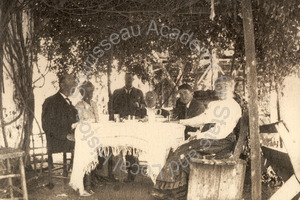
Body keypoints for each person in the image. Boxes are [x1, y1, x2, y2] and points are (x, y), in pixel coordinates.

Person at [151, 76, 242, 200]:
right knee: (181, 148)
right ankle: (175, 190)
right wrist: (181, 122)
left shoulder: (233, 107)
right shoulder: (216, 104)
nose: (219, 91)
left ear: (231, 88)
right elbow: (203, 119)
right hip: (213, 138)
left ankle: (173, 191)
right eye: (217, 88)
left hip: (222, 142)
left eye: (223, 88)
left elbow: (222, 131)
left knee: (184, 151)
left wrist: (199, 135)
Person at [41, 73, 78, 187]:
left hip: (68, 138)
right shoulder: (51, 101)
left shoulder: (69, 103)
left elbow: (73, 122)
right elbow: (47, 125)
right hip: (57, 141)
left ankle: (88, 177)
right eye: (71, 81)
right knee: (84, 145)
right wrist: (65, 135)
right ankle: (81, 180)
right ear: (62, 85)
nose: (75, 84)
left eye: (75, 82)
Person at [111, 73, 146, 181]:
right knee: (117, 146)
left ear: (133, 79)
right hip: (120, 124)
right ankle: (112, 174)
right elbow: (111, 108)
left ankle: (131, 174)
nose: (129, 80)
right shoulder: (117, 92)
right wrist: (116, 117)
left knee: (132, 147)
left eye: (131, 78)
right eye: (127, 78)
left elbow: (144, 110)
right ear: (124, 79)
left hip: (133, 124)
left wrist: (139, 106)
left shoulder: (139, 92)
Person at [74, 81, 99, 196]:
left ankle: (93, 179)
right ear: (82, 93)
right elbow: (82, 120)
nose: (90, 94)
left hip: (95, 133)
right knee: (88, 151)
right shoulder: (79, 105)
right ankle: (86, 184)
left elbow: (97, 119)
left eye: (92, 92)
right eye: (88, 92)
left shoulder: (94, 104)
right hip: (85, 135)